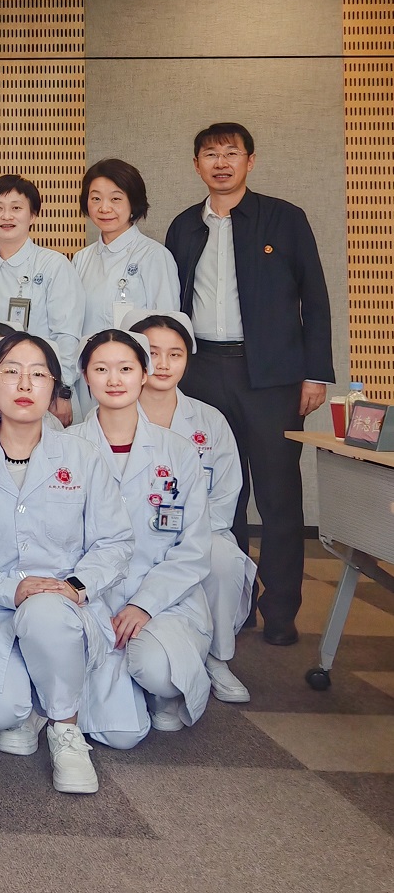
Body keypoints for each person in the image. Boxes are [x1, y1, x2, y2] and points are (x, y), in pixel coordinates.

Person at [0, 332, 143, 795]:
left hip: (62, 605)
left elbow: (115, 540)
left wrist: (75, 585)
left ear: (54, 389)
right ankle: (36, 701)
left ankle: (64, 728)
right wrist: (7, 588)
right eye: (11, 372)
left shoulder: (81, 456)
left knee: (47, 615)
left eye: (38, 374)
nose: (24, 384)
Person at [163, 122, 334, 646]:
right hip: (203, 373)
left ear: (250, 161)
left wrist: (315, 372)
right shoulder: (183, 226)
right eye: (210, 154)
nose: (221, 163)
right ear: (196, 165)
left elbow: (316, 297)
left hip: (272, 377)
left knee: (278, 495)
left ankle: (280, 610)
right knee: (219, 494)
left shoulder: (285, 218)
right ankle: (233, 607)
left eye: (231, 153)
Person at [75, 329, 212, 732]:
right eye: (101, 369)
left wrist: (145, 604)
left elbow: (193, 547)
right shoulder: (64, 447)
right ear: (85, 376)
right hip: (91, 599)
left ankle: (151, 686)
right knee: (121, 733)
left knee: (160, 671)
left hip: (163, 599)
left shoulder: (178, 451)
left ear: (144, 374)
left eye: (125, 369)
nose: (114, 380)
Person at [128, 309, 255, 702]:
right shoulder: (113, 413)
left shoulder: (210, 421)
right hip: (131, 538)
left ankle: (218, 657)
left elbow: (226, 494)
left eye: (175, 354)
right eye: (152, 352)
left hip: (199, 533)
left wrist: (186, 538)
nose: (163, 364)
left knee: (223, 558)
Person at [0, 175, 84, 426]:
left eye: (16, 208)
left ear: (33, 215)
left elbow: (67, 335)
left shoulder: (54, 265)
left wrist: (62, 390)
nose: (7, 216)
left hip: (44, 390)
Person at [71, 159, 178, 336]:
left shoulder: (154, 256)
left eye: (115, 199)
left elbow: (166, 327)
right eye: (96, 199)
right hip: (88, 353)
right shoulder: (81, 258)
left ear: (133, 203)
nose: (104, 208)